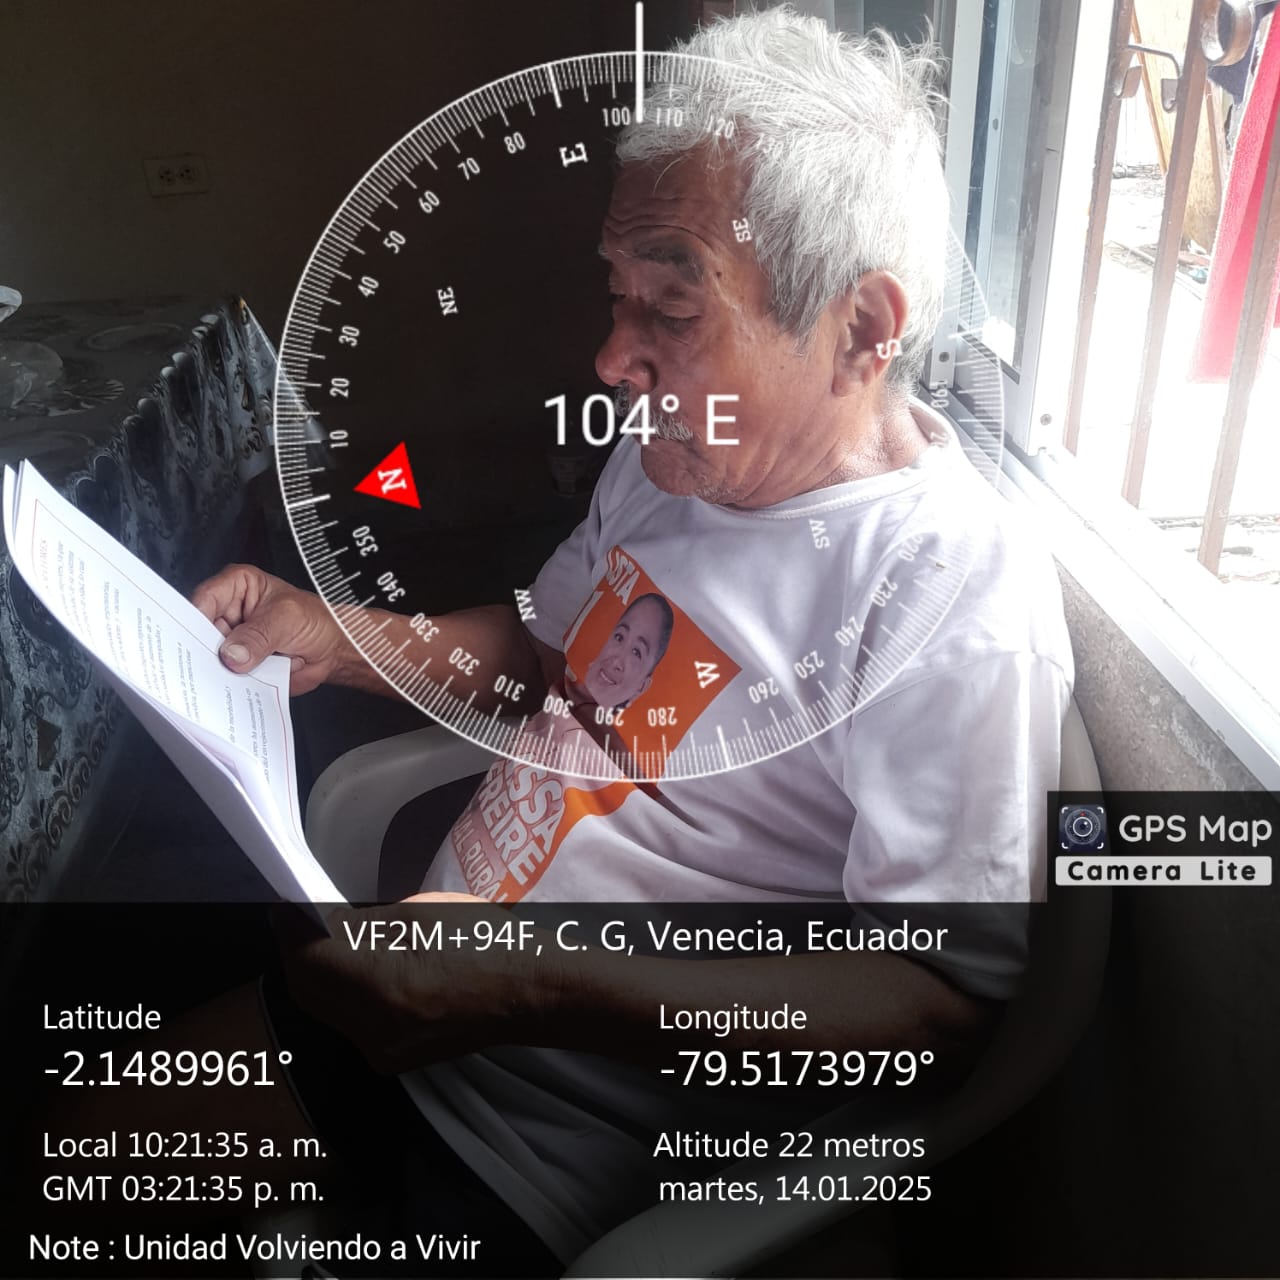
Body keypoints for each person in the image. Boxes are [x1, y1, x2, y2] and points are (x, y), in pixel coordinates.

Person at [60, 9, 1072, 1271]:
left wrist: (526, 977)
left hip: (535, 1151)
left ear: (863, 327)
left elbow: (934, 1003)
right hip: (410, 1000)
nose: (609, 358)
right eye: (615, 292)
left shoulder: (948, 597)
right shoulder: (669, 456)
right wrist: (340, 636)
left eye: (672, 306)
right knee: (68, 1161)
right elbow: (551, 651)